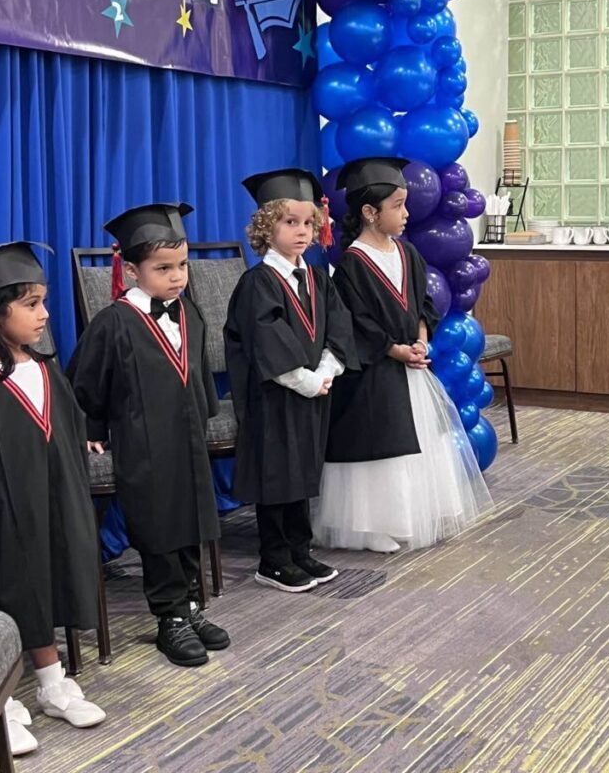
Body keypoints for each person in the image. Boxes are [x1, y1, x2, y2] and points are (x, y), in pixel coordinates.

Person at [0, 242, 105, 757]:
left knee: (50, 587)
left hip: (52, 505)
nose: (45, 314)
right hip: (3, 521)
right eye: (31, 303)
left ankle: (53, 682)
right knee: (9, 595)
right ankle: (4, 699)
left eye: (43, 300)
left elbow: (67, 426)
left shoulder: (43, 368)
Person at [67, 204, 229, 668]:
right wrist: (92, 428)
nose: (176, 277)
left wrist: (203, 415)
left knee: (194, 520)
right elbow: (85, 382)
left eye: (181, 266)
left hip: (187, 439)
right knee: (160, 529)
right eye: (163, 269)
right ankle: (169, 618)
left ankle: (193, 606)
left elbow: (196, 373)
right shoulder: (113, 322)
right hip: (144, 444)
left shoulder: (190, 311)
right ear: (132, 270)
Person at [312, 157, 493, 553]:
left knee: (423, 440)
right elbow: (355, 321)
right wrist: (393, 349)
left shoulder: (407, 254)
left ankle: (412, 514)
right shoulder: (351, 265)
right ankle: (375, 522)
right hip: (376, 372)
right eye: (398, 205)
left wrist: (422, 337)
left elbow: (424, 302)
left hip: (413, 364)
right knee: (383, 442)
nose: (407, 213)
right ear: (369, 213)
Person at [224, 168, 357, 592]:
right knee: (276, 475)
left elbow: (339, 327)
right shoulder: (257, 283)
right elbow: (266, 340)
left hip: (313, 390)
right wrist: (304, 379)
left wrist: (327, 371)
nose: (301, 232)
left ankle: (300, 550)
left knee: (302, 471)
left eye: (307, 223)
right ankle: (274, 558)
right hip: (274, 396)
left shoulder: (318, 278)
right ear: (266, 227)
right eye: (289, 222)